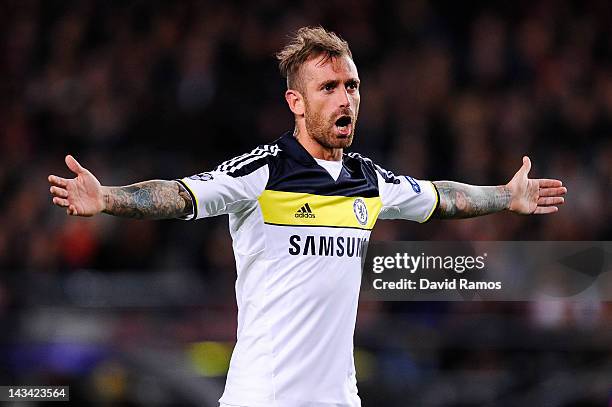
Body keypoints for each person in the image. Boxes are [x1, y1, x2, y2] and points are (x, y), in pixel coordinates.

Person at [48, 27, 566, 407]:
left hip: (339, 399)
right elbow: (182, 194)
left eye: (353, 86)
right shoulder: (264, 171)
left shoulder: (369, 180)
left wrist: (505, 195)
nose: (346, 98)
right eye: (330, 88)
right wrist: (108, 198)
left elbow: (442, 198)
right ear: (295, 102)